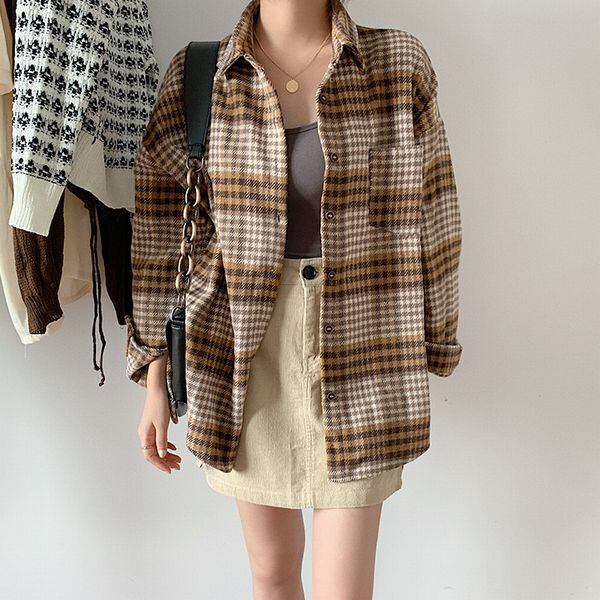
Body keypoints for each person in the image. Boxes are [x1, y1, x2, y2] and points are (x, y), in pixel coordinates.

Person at [125, 0, 463, 597]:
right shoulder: (199, 76)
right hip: (243, 349)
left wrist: (437, 339)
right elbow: (162, 237)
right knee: (272, 570)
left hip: (366, 342)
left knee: (344, 588)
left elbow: (435, 210)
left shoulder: (396, 64)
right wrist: (156, 376)